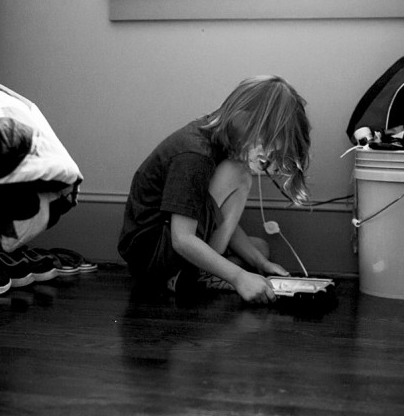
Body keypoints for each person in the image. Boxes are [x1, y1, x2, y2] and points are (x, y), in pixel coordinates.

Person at [118, 75, 312, 304]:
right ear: (243, 119)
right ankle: (185, 275)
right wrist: (239, 277)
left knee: (259, 249)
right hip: (153, 255)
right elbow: (182, 238)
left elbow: (216, 218)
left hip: (168, 246)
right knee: (238, 172)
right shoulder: (195, 154)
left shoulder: (222, 142)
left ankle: (196, 273)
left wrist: (261, 264)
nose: (266, 157)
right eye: (265, 146)